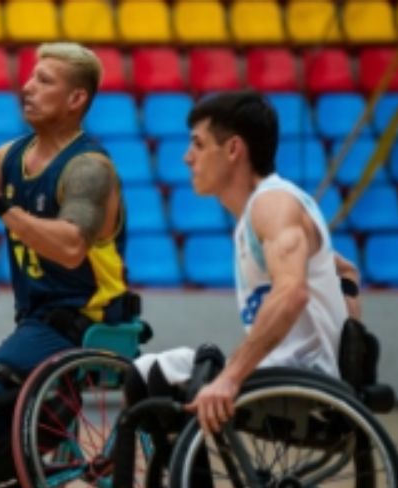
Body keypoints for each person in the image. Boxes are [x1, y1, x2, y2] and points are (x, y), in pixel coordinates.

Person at [0, 43, 138, 482]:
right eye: (31, 77)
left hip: (87, 320)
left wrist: (0, 205)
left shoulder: (89, 169)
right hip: (37, 323)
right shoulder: (11, 157)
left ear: (76, 100)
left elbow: (72, 246)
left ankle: (37, 484)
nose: (27, 87)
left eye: (44, 81)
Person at [133, 90, 364, 433]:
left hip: (299, 382)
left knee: (148, 375)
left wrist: (230, 378)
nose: (186, 157)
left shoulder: (272, 205)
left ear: (233, 150)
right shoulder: (268, 209)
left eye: (197, 144)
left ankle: (183, 487)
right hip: (294, 373)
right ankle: (185, 484)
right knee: (151, 372)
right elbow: (346, 270)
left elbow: (292, 293)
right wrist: (351, 350)